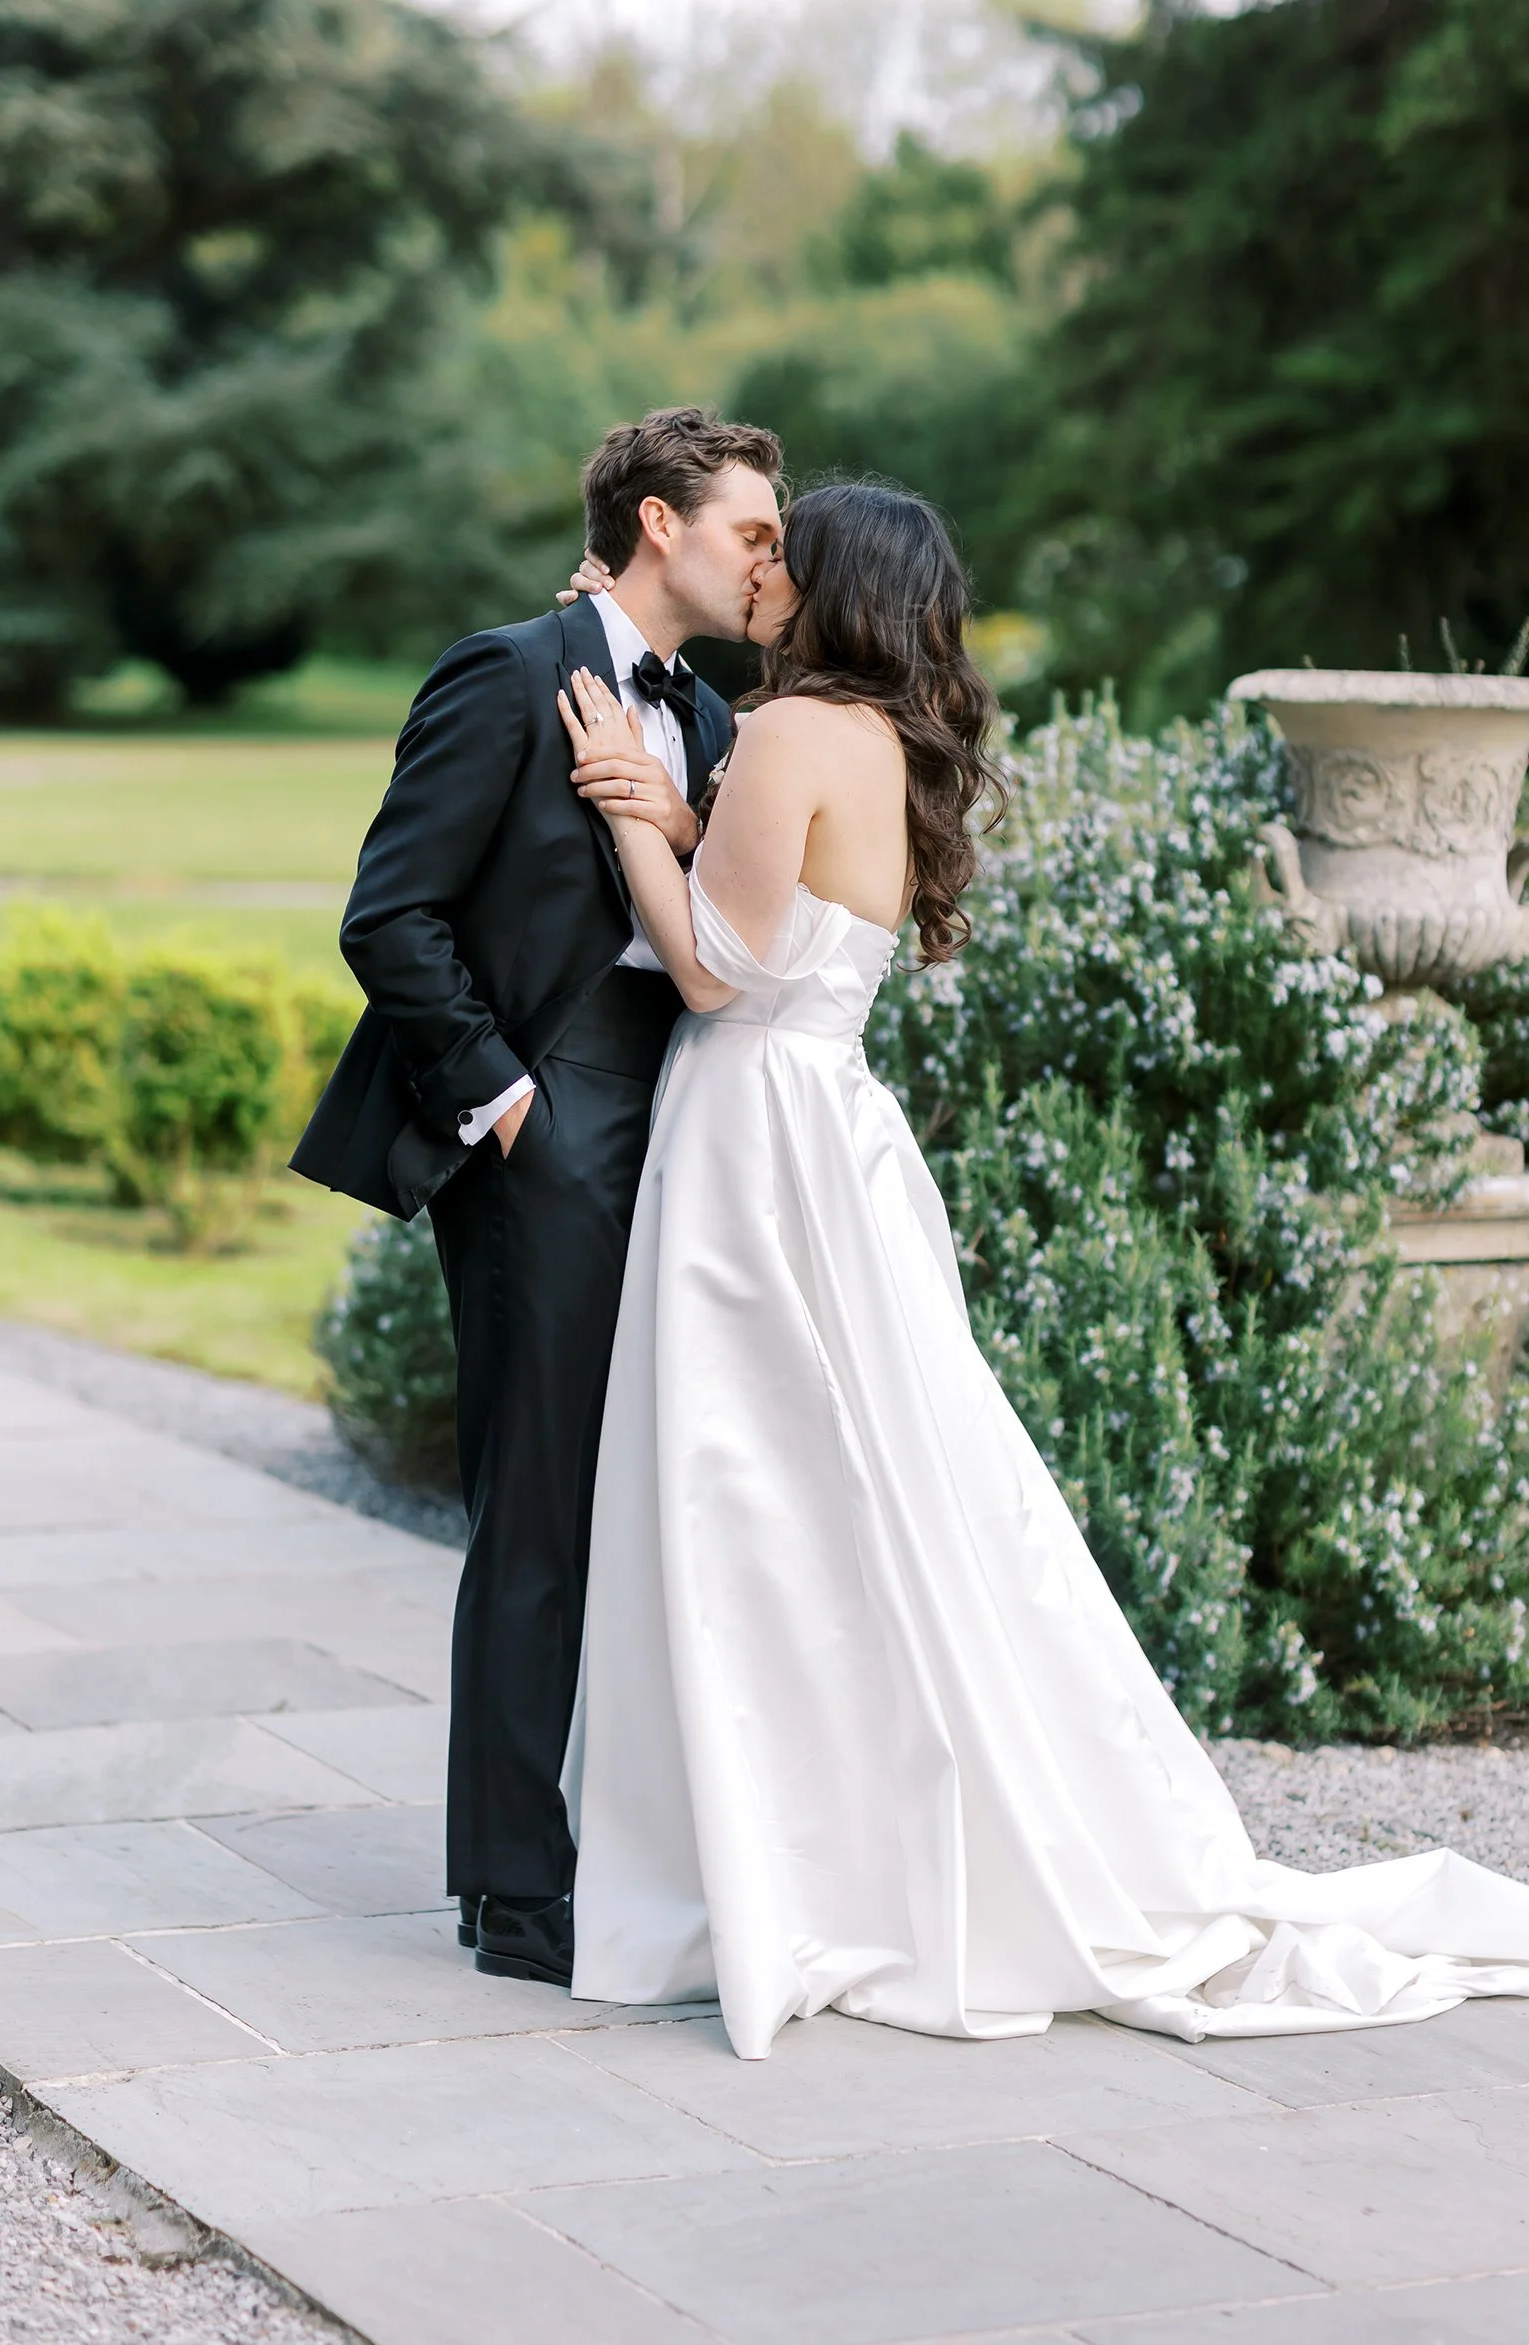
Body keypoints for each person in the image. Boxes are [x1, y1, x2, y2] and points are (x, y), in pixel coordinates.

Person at [551, 482, 1529, 2060]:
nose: (765, 566)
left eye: (784, 552)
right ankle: (849, 1834)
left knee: (759, 1489)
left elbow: (715, 973)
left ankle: (773, 1854)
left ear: (832, 586)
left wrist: (620, 811)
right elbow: (787, 910)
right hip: (836, 1137)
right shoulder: (874, 744)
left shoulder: (790, 732)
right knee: (867, 1485)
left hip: (752, 1142)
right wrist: (681, 823)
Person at [291, 407, 783, 1987]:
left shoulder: (711, 716)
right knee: (544, 1504)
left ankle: (632, 1841)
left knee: (664, 1492)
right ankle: (516, 1890)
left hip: (691, 1117)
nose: (768, 556)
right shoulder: (501, 671)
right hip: (548, 1116)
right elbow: (391, 914)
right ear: (656, 523)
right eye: (749, 530)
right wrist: (506, 1103)